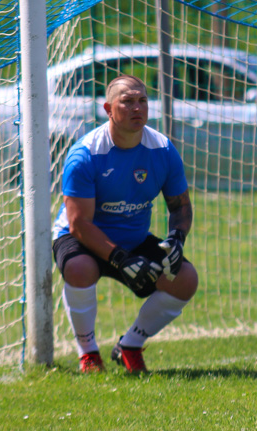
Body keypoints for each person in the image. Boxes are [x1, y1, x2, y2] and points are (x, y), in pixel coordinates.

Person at [51, 74, 199, 374]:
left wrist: (177, 239)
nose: (137, 108)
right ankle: (88, 353)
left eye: (142, 100)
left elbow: (180, 206)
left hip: (131, 240)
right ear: (108, 109)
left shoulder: (162, 149)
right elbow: (79, 224)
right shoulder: (85, 154)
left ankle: (130, 345)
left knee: (185, 277)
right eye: (127, 101)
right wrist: (121, 259)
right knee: (80, 269)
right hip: (81, 238)